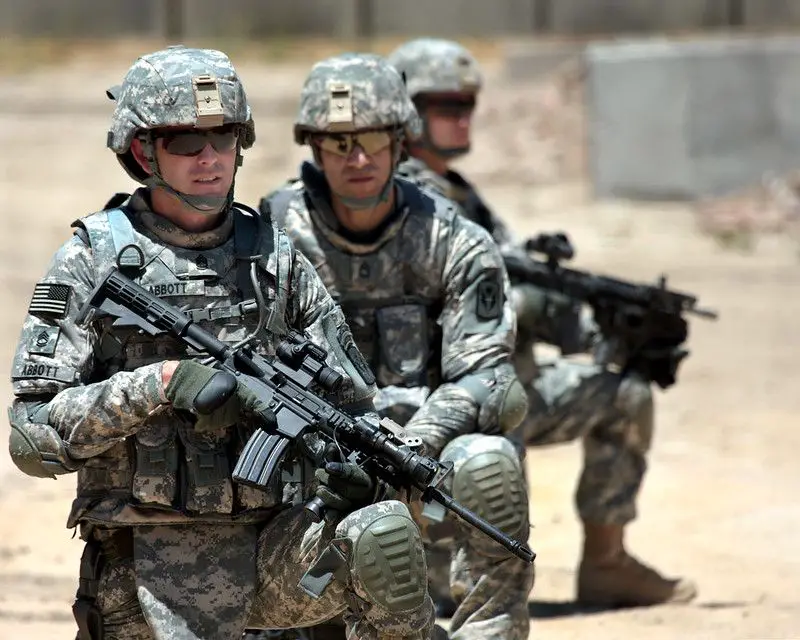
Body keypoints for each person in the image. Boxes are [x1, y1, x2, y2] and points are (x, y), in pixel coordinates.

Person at [7, 45, 435, 640]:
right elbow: (32, 437)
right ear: (142, 151)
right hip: (145, 568)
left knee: (383, 532)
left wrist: (373, 469)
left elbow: (356, 405)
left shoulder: (273, 256)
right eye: (186, 142)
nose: (209, 159)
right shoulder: (94, 259)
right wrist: (158, 386)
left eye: (224, 137)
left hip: (272, 551)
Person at [388, 37, 699, 607]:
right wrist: (541, 305)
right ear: (405, 112)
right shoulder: (401, 201)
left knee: (625, 393)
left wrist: (607, 331)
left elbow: (527, 282)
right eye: (447, 107)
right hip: (444, 398)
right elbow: (474, 303)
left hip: (514, 382)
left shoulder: (460, 194)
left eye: (468, 106)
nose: (463, 119)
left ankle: (606, 562)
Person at [259, 52, 534, 640]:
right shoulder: (271, 237)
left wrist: (413, 443)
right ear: (312, 146)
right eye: (339, 142)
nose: (357, 159)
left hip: (425, 451)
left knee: (491, 466)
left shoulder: (452, 235)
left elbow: (485, 375)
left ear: (401, 143)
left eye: (373, 140)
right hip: (318, 458)